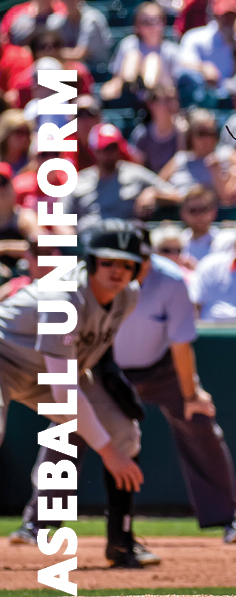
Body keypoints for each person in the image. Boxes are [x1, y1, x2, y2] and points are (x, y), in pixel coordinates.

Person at [6, 221, 160, 568]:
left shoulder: (128, 296)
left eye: (125, 263)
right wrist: (106, 453)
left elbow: (93, 344)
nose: (117, 271)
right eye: (108, 262)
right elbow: (63, 389)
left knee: (123, 433)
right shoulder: (64, 296)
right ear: (90, 262)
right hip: (7, 359)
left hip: (52, 370)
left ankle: (121, 542)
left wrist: (110, 378)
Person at [113, 229, 236, 544]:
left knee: (200, 419)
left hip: (163, 369)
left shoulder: (171, 280)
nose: (140, 265)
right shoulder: (102, 278)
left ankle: (231, 519)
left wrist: (191, 395)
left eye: (145, 258)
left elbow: (181, 345)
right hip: (110, 370)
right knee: (69, 424)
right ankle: (36, 522)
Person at [63, 123, 181, 229]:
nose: (110, 153)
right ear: (94, 151)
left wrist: (154, 193)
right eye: (105, 149)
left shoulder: (134, 174)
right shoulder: (79, 181)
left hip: (125, 242)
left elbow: (177, 195)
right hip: (89, 243)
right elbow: (61, 219)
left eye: (114, 147)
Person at [177, 0, 236, 92]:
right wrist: (203, 68)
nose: (227, 20)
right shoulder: (195, 37)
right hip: (204, 98)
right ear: (214, 15)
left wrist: (235, 51)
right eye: (222, 15)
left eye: (231, 15)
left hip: (233, 101)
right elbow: (182, 63)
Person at [159, 109, 236, 205]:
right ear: (190, 135)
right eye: (201, 133)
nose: (207, 139)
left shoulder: (227, 154)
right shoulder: (180, 158)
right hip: (174, 208)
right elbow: (158, 184)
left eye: (210, 133)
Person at [102, 2, 179, 103]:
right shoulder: (129, 44)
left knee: (152, 59)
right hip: (129, 95)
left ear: (163, 23)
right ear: (137, 24)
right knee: (133, 56)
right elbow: (116, 78)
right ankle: (131, 88)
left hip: (159, 100)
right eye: (145, 22)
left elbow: (174, 86)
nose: (150, 26)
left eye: (154, 21)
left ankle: (147, 89)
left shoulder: (171, 50)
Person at [47, 0, 112, 70]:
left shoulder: (92, 19)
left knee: (44, 78)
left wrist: (51, 53)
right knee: (40, 74)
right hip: (68, 72)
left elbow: (79, 55)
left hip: (93, 73)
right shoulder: (54, 21)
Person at [129, 85, 187, 173]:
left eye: (175, 99)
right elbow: (137, 170)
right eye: (167, 100)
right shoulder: (141, 134)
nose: (173, 104)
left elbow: (183, 166)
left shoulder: (184, 131)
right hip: (150, 184)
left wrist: (182, 136)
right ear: (151, 105)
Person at [179, 184, 235, 266]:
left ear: (214, 211)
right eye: (193, 211)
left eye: (204, 209)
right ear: (183, 214)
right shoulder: (176, 243)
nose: (199, 215)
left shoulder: (226, 241)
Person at [0, 161, 37, 273]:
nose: (1, 189)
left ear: (12, 184)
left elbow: (41, 246)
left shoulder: (25, 217)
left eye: (3, 182)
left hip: (23, 279)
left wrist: (5, 248)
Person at [0, 110, 32, 175]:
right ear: (6, 133)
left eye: (27, 132)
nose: (24, 137)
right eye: (19, 132)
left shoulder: (32, 162)